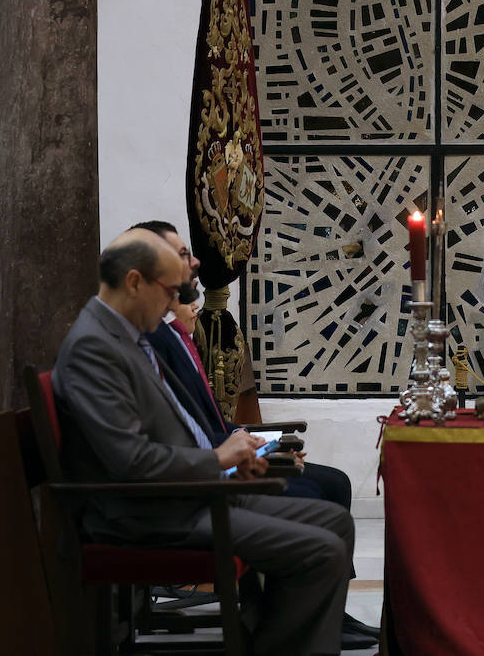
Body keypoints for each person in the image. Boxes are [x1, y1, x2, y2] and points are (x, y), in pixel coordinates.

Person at [52, 228, 354, 655]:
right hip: (147, 512)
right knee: (321, 550)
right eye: (171, 290)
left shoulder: (128, 335)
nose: (180, 301)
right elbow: (130, 463)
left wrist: (231, 461)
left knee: (335, 524)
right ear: (135, 281)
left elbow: (171, 430)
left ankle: (277, 641)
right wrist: (216, 460)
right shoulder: (94, 348)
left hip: (185, 494)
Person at [133, 220, 379, 647]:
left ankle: (323, 613)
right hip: (185, 499)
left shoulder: (170, 339)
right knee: (319, 511)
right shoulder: (143, 345)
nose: (194, 264)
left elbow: (201, 424)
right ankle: (282, 621)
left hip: (202, 480)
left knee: (333, 488)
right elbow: (149, 454)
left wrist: (260, 445)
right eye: (181, 258)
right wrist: (230, 461)